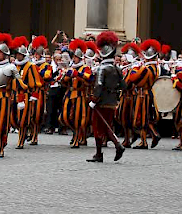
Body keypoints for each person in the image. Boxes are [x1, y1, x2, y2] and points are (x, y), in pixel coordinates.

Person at [87, 31, 126, 162]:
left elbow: (98, 85)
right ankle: (116, 145)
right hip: (112, 100)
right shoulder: (117, 69)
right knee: (107, 125)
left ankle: (100, 153)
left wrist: (94, 99)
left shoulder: (101, 69)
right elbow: (124, 85)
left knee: (98, 127)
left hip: (101, 101)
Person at [127, 39, 162, 149]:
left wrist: (134, 69)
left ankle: (144, 141)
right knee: (145, 117)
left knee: (141, 118)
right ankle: (151, 135)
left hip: (143, 94)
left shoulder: (146, 69)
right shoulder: (154, 67)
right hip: (148, 93)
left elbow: (135, 79)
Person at [9, 36, 42, 149]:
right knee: (13, 119)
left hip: (25, 95)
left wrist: (34, 97)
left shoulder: (30, 66)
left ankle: (21, 140)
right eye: (16, 54)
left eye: (19, 54)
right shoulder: (14, 66)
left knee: (23, 120)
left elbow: (36, 83)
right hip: (14, 95)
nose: (17, 55)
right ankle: (25, 134)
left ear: (23, 55)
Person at [59, 40, 93, 148]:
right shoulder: (70, 67)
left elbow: (89, 78)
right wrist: (64, 76)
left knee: (78, 118)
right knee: (64, 117)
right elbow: (63, 82)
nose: (74, 59)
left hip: (80, 94)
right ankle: (75, 133)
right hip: (69, 93)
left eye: (75, 57)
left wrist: (77, 74)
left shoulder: (85, 68)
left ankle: (78, 137)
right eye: (73, 57)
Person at [30, 36, 52, 144]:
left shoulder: (46, 65)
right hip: (30, 91)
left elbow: (47, 76)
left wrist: (38, 70)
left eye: (36, 54)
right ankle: (29, 132)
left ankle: (35, 135)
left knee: (37, 115)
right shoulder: (31, 64)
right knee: (28, 114)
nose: (35, 56)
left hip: (40, 91)